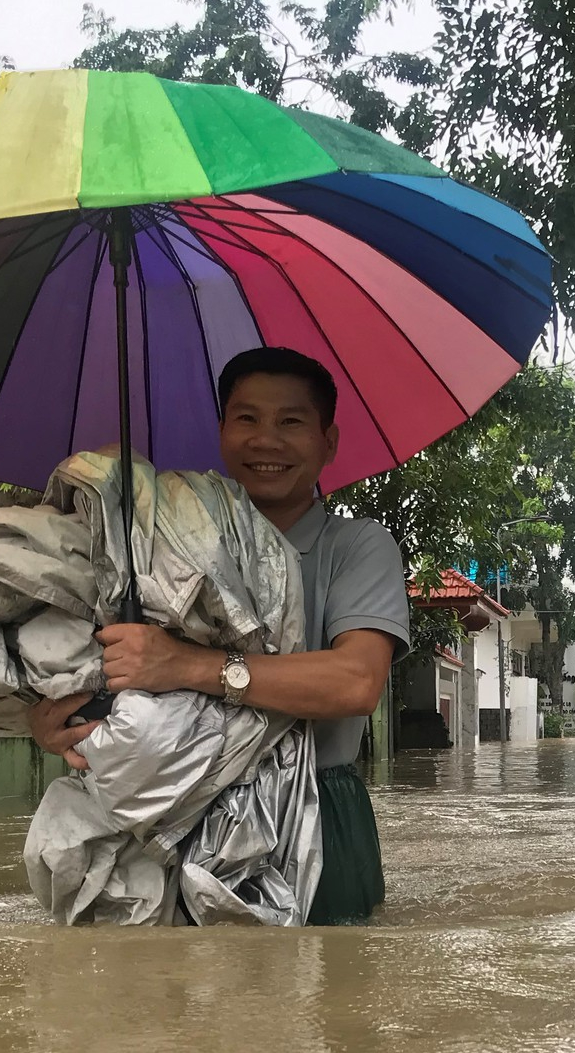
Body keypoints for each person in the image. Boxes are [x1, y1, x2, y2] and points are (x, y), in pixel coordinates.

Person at [27, 347, 411, 925]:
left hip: (315, 812)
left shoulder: (356, 548)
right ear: (223, 431)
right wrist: (49, 723)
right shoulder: (148, 546)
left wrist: (185, 664)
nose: (267, 440)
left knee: (324, 999)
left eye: (291, 422)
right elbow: (84, 666)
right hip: (164, 812)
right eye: (247, 419)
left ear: (328, 442)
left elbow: (355, 682)